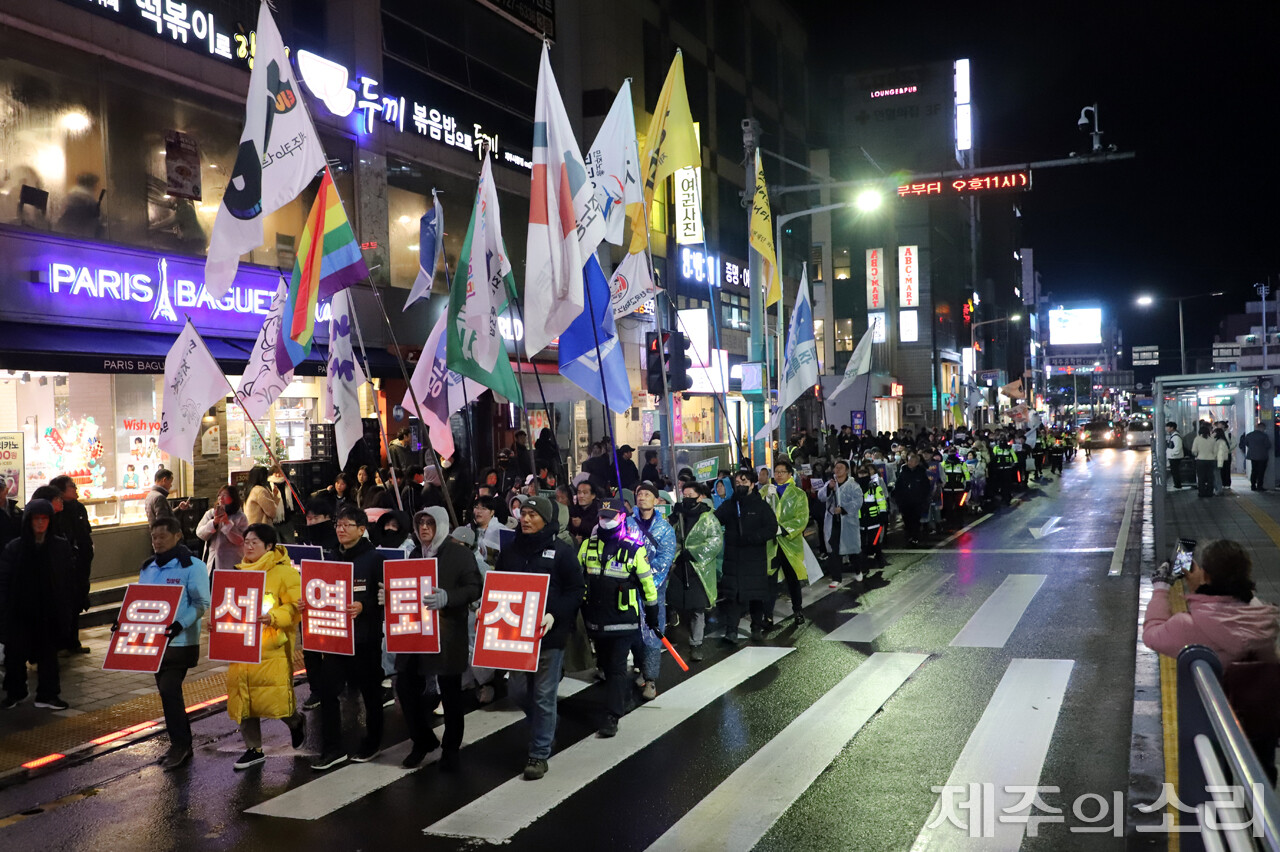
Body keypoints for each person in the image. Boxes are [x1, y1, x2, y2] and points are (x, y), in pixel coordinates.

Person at [495, 495, 583, 781]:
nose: (526, 518)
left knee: (544, 695)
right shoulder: (509, 551)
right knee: (518, 691)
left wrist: (554, 615)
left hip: (549, 635)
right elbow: (500, 587)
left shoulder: (562, 552)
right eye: (524, 513)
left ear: (546, 519)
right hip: (516, 637)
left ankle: (539, 753)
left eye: (533, 514)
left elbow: (575, 590)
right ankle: (545, 726)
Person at [393, 507, 482, 770]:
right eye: (419, 522)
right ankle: (422, 740)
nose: (423, 528)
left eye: (429, 523)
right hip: (415, 631)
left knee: (451, 693)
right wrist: (391, 596)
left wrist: (449, 597)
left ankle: (451, 747)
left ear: (441, 525)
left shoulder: (459, 554)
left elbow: (474, 587)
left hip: (447, 632)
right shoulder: (413, 554)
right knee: (405, 686)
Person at [309, 506, 386, 771]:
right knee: (328, 691)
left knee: (370, 691)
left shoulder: (374, 559)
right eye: (338, 525)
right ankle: (332, 747)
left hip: (365, 638)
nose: (341, 530)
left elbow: (386, 598)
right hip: (336, 638)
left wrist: (365, 607)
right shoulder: (332, 556)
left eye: (347, 525)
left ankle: (373, 741)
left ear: (362, 529)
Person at [226, 524, 306, 770]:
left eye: (255, 542)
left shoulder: (285, 573)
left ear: (269, 546)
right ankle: (254, 748)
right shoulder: (238, 572)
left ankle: (294, 721)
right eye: (246, 541)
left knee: (272, 699)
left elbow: (296, 608)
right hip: (243, 645)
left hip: (271, 647)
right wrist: (217, 624)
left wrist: (273, 617)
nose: (248, 546)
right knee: (244, 700)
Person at [133, 518, 211, 769]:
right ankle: (179, 743)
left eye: (162, 537)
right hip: (154, 644)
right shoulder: (148, 568)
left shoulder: (192, 566)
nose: (156, 542)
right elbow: (141, 602)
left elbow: (202, 604)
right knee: (167, 694)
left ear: (177, 536)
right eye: (153, 537)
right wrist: (124, 623)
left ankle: (182, 745)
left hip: (181, 644)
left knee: (169, 690)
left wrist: (180, 624)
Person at [580, 503, 658, 737]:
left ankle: (613, 715)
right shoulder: (587, 545)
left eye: (610, 516)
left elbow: (647, 581)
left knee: (616, 668)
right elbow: (578, 577)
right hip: (596, 620)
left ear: (622, 517)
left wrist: (652, 609)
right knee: (605, 665)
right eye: (602, 516)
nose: (605, 520)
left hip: (623, 619)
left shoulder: (634, 548)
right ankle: (640, 670)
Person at [1144, 539, 1279, 665]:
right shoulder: (1262, 615)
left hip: (1217, 689)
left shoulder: (1187, 625)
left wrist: (1160, 589)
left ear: (1206, 576)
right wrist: (1199, 591)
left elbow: (1151, 635)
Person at [0, 499, 74, 711]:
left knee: (48, 656)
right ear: (28, 521)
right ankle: (15, 692)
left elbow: (67, 580)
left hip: (49, 611)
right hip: (20, 611)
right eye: (36, 519)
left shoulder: (59, 547)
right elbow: (4, 581)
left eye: (44, 518)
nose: (40, 523)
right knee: (15, 656)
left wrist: (67, 609)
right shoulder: (15, 548)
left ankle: (48, 694)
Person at [714, 469, 778, 643]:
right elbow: (714, 520)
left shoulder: (761, 506)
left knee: (755, 595)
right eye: (738, 483)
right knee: (732, 597)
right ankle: (731, 631)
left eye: (744, 482)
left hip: (754, 558)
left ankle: (756, 627)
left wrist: (753, 538)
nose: (740, 485)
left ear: (752, 484)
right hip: (733, 559)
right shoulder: (730, 505)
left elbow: (772, 528)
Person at [628, 482, 676, 700]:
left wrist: (646, 581)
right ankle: (640, 669)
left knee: (652, 632)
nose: (642, 497)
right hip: (628, 588)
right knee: (632, 632)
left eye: (647, 494)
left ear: (656, 500)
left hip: (652, 589)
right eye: (639, 494)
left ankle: (651, 679)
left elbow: (665, 560)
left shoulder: (665, 529)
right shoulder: (627, 523)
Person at [667, 482, 723, 663]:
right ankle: (674, 625)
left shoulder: (708, 518)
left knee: (697, 609)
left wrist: (692, 552)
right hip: (679, 566)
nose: (687, 498)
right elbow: (669, 538)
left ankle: (696, 643)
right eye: (684, 495)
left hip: (698, 569)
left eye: (691, 495)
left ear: (700, 497)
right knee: (674, 600)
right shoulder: (680, 516)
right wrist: (673, 520)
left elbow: (715, 542)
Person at [50, 475, 93, 653]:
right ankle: (59, 643)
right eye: (71, 486)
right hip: (65, 566)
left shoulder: (79, 508)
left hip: (82, 563)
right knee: (63, 604)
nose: (75, 488)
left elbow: (86, 532)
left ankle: (73, 642)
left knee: (77, 601)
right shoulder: (55, 511)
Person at [765, 459, 809, 625]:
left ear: (790, 474)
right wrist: (765, 497)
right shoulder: (767, 492)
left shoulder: (799, 494)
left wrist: (783, 529)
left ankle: (798, 609)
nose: (778, 475)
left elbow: (802, 519)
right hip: (771, 544)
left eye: (782, 472)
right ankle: (768, 615)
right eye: (776, 472)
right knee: (770, 580)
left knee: (792, 578)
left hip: (789, 543)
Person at [817, 460, 863, 585]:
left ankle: (858, 570)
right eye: (836, 468)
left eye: (841, 467)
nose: (837, 470)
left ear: (847, 470)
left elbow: (858, 501)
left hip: (848, 522)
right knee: (833, 550)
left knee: (852, 549)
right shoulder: (831, 483)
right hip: (833, 523)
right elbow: (821, 496)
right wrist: (828, 488)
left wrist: (843, 509)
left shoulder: (853, 485)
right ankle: (836, 577)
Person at [196, 483, 248, 574]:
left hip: (232, 562)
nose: (221, 498)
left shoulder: (240, 516)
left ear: (233, 498)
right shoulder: (211, 514)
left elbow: (241, 540)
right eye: (219, 495)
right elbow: (200, 533)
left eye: (225, 495)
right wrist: (214, 523)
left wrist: (227, 524)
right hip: (212, 561)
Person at [856, 463, 890, 570]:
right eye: (860, 473)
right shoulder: (855, 488)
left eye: (864, 472)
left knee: (874, 541)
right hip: (860, 520)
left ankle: (879, 558)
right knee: (861, 543)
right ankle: (864, 563)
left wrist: (883, 515)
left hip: (873, 519)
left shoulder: (875, 487)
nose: (862, 475)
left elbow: (882, 501)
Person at [894, 452, 931, 546]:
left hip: (917, 502)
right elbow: (898, 487)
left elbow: (926, 487)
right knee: (907, 520)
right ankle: (909, 536)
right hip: (905, 502)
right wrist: (899, 499)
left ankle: (915, 537)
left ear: (917, 462)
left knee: (915, 520)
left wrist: (923, 499)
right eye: (909, 460)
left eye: (913, 461)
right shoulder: (903, 472)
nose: (910, 463)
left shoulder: (921, 473)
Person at [268, 465, 299, 543]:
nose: (278, 475)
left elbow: (296, 501)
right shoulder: (267, 486)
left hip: (287, 521)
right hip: (272, 522)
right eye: (276, 473)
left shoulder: (290, 485)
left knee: (290, 544)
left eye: (280, 473)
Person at [1240, 421, 1272, 491]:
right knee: (1261, 472)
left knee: (1254, 471)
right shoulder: (1264, 436)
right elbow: (1268, 445)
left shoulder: (1249, 435)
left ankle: (1253, 486)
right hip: (1262, 456)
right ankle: (1259, 486)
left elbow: (1245, 443)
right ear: (1262, 428)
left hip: (1253, 456)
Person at [568, 480, 601, 544]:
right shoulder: (572, 510)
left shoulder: (599, 511)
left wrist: (582, 524)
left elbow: (598, 530)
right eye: (579, 492)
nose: (581, 496)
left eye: (585, 493)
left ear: (593, 495)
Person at [1191, 422, 1218, 498]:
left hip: (1200, 460)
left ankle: (1201, 492)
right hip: (1211, 460)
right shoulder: (1212, 440)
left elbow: (1194, 450)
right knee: (1210, 477)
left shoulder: (1197, 439)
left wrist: (1197, 454)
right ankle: (1210, 492)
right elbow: (1215, 451)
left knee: (1201, 477)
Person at [1165, 422, 1185, 490]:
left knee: (1175, 472)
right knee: (1174, 472)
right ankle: (1177, 484)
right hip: (1173, 457)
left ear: (1172, 428)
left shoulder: (1176, 437)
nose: (1166, 428)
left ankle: (1177, 485)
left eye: (1168, 427)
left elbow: (1177, 448)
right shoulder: (1173, 436)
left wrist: (1171, 453)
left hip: (1175, 458)